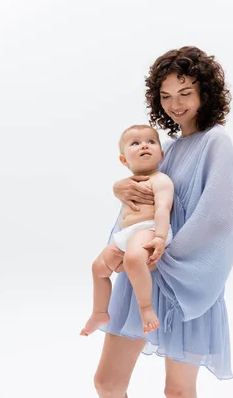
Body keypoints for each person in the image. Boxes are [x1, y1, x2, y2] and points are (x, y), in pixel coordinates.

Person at [92, 46, 233, 398]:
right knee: (108, 383)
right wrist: (121, 187)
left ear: (205, 93)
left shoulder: (216, 142)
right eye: (166, 96)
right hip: (143, 271)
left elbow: (219, 219)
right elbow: (145, 198)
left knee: (177, 391)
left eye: (185, 93)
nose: (175, 104)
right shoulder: (168, 148)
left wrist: (167, 256)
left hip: (183, 281)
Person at [80, 125, 174, 337]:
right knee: (98, 267)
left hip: (150, 229)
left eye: (151, 142)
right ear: (124, 160)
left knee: (133, 259)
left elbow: (162, 208)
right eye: (135, 143)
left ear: (161, 154)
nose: (144, 146)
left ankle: (145, 307)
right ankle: (99, 312)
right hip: (129, 233)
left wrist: (159, 237)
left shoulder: (160, 180)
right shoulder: (127, 184)